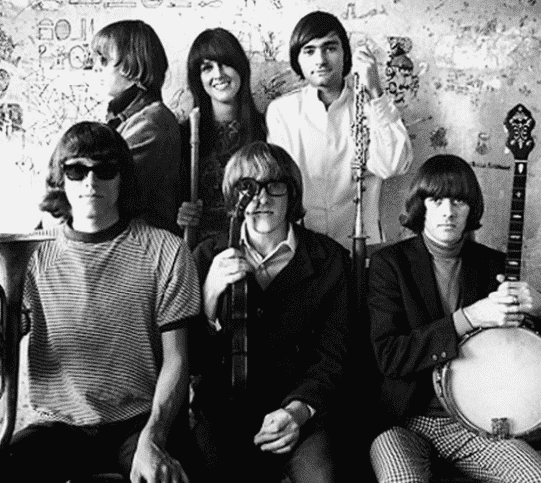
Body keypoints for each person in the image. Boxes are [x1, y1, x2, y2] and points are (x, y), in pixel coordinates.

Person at [0, 122, 200, 483]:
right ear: (61, 179)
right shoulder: (31, 253)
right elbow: (2, 343)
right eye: (76, 170)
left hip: (140, 423)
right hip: (59, 427)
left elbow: (177, 360)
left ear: (123, 178)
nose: (90, 181)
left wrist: (154, 436)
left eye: (105, 170)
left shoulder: (167, 250)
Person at [367, 154, 541, 483]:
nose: (448, 212)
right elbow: (389, 356)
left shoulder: (495, 266)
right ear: (421, 206)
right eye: (436, 200)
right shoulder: (389, 265)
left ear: (470, 209)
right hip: (402, 423)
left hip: (476, 425)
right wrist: (470, 317)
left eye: (459, 201)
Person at [190, 141, 350, 482]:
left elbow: (333, 356)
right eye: (247, 188)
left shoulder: (331, 260)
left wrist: (297, 412)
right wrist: (209, 295)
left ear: (291, 194)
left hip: (302, 413)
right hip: (224, 413)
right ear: (233, 198)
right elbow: (191, 361)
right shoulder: (205, 256)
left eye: (274, 186)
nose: (261, 199)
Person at [266, 10, 413, 250]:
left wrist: (376, 91)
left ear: (345, 54)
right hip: (303, 248)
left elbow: (392, 165)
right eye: (309, 51)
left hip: (361, 246)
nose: (321, 60)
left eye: (330, 48)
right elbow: (281, 183)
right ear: (297, 60)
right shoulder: (282, 112)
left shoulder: (370, 106)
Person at [91, 19, 183, 236]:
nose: (96, 68)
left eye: (104, 60)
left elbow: (103, 191)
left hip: (142, 246)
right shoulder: (129, 118)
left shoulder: (151, 123)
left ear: (132, 66)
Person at [177, 27, 267, 246]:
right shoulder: (184, 135)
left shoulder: (267, 128)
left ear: (241, 69)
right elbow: (170, 202)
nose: (218, 74)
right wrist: (181, 215)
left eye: (225, 63)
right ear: (198, 79)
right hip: (201, 251)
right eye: (207, 67)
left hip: (256, 246)